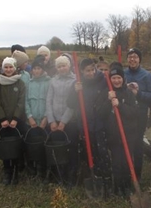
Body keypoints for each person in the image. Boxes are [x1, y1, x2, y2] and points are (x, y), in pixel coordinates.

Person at [67, 58, 112, 193]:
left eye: (93, 70)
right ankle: (94, 177)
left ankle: (107, 180)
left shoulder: (103, 81)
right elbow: (70, 104)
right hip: (85, 125)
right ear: (81, 71)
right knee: (90, 152)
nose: (91, 73)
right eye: (87, 71)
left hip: (100, 124)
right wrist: (75, 92)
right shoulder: (78, 84)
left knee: (103, 152)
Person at [97, 62, 139, 197]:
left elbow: (134, 113)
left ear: (123, 78)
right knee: (116, 161)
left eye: (119, 77)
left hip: (128, 134)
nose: (116, 80)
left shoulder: (129, 93)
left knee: (127, 161)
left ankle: (127, 186)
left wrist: (119, 105)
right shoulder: (106, 93)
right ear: (110, 79)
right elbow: (100, 113)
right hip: (113, 134)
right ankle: (118, 187)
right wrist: (108, 101)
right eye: (113, 78)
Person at [0, 57, 28, 185]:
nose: (8, 69)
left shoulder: (20, 83)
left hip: (17, 122)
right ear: (3, 68)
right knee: (6, 146)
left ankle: (17, 170)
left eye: (10, 67)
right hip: (3, 122)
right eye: (6, 67)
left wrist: (15, 118)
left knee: (17, 145)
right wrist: (2, 119)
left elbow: (21, 102)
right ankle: (7, 170)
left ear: (15, 68)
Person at [124, 48, 151, 180]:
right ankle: (126, 171)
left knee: (137, 144)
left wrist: (139, 94)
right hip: (124, 114)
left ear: (139, 59)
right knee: (125, 143)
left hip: (140, 114)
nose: (132, 59)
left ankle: (136, 175)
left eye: (135, 57)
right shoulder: (123, 74)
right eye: (130, 57)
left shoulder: (147, 76)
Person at [45, 55, 78, 186]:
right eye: (59, 66)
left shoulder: (75, 81)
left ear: (69, 66)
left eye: (64, 65)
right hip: (55, 121)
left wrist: (63, 122)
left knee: (71, 148)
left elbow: (73, 104)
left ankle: (71, 176)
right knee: (58, 149)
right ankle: (59, 174)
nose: (62, 68)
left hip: (70, 122)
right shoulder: (53, 81)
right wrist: (51, 120)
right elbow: (49, 101)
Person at [25, 55, 51, 178]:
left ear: (43, 69)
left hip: (45, 120)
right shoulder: (29, 84)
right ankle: (37, 168)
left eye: (39, 68)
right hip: (33, 121)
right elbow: (26, 102)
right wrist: (30, 117)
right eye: (34, 68)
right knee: (36, 145)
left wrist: (46, 118)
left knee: (46, 144)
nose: (36, 71)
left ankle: (48, 169)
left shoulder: (49, 82)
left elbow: (50, 101)